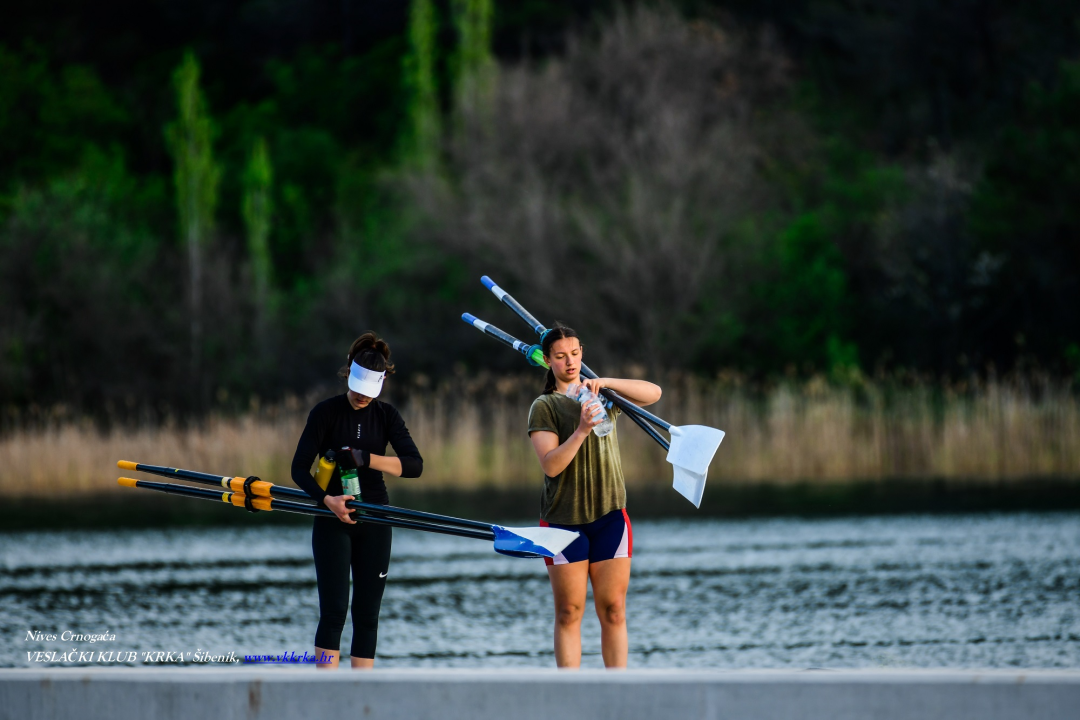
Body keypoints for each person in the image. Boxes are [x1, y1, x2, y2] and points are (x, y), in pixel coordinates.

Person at [527, 324, 662, 668]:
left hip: (610, 517)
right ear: (548, 361)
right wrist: (583, 429)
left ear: (582, 354)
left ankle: (617, 692)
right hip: (562, 522)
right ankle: (570, 694)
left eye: (575, 354)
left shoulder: (602, 397)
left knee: (614, 610)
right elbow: (552, 466)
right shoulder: (545, 406)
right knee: (569, 612)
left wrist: (608, 384)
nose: (569, 362)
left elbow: (654, 393)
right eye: (560, 356)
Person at [290, 332, 423, 669]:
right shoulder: (326, 413)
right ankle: (327, 694)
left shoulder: (387, 416)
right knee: (333, 613)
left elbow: (414, 466)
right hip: (331, 519)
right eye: (360, 387)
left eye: (371, 391)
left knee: (367, 616)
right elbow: (298, 470)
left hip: (375, 519)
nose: (364, 396)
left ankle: (361, 698)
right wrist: (327, 500)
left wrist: (367, 458)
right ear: (349, 372)